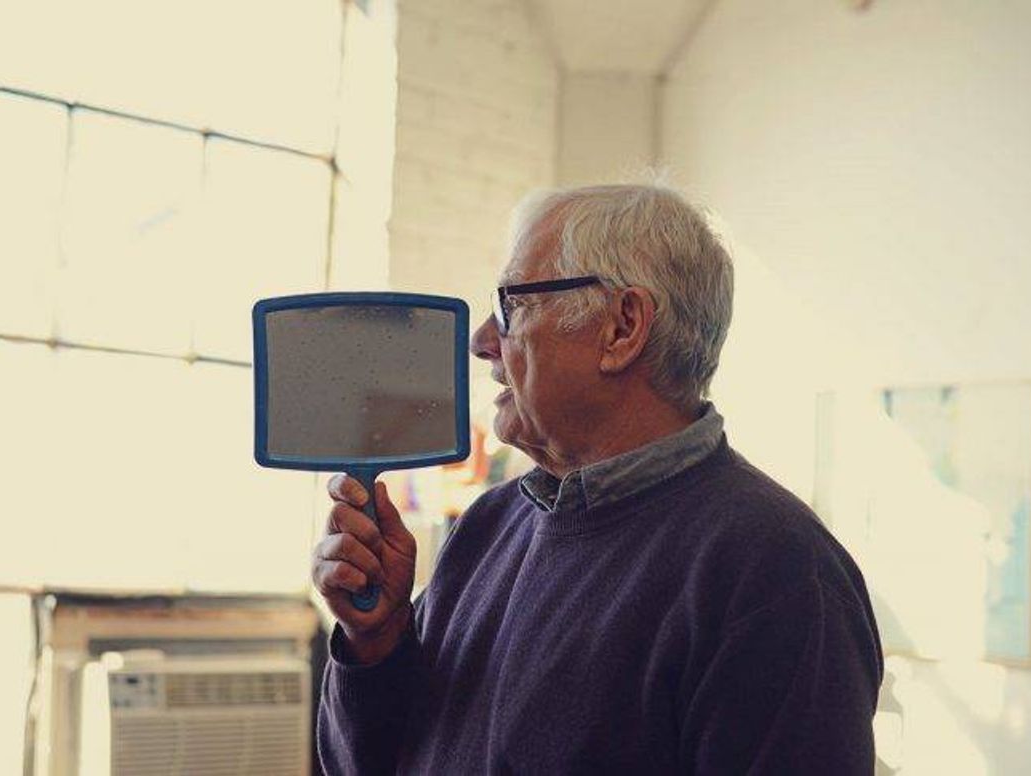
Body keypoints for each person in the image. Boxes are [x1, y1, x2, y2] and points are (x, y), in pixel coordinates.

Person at [312, 184, 883, 775]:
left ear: (622, 327)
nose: (483, 341)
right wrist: (376, 641)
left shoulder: (774, 568)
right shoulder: (490, 524)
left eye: (511, 305)